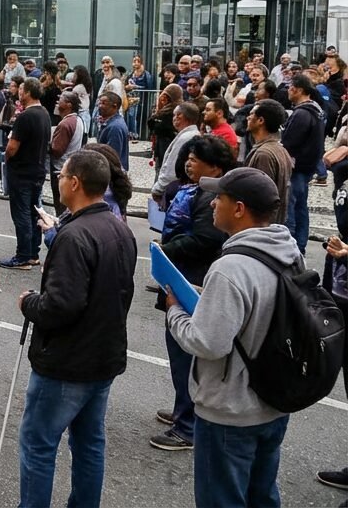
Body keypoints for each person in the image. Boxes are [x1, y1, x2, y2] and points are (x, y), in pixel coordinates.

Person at [164, 168, 299, 508]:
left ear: (239, 209)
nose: (212, 204)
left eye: (219, 198)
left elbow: (207, 343)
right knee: (262, 496)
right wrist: (205, 297)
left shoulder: (231, 268)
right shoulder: (287, 250)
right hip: (273, 400)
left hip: (230, 412)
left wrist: (175, 311)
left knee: (221, 499)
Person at [16, 149, 137, 508]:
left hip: (67, 362)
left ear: (75, 183)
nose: (58, 180)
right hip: (103, 356)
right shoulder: (119, 227)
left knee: (38, 444)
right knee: (89, 443)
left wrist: (29, 302)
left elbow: (61, 305)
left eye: (62, 175)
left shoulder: (74, 236)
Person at [151, 135, 235, 452]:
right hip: (181, 275)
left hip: (192, 281)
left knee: (185, 354)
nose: (189, 163)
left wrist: (167, 249)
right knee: (179, 354)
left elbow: (205, 238)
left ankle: (187, 425)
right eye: (188, 157)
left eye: (196, 159)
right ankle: (182, 410)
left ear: (215, 167)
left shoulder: (213, 196)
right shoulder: (193, 190)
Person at [1, 78, 49, 269]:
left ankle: (22, 256)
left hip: (22, 172)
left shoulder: (25, 116)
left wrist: (7, 159)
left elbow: (12, 147)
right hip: (37, 170)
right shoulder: (44, 113)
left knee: (21, 214)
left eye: (22, 89)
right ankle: (33, 254)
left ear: (28, 92)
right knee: (34, 212)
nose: (19, 93)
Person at [284, 74, 325, 252]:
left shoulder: (302, 113)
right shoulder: (315, 110)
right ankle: (300, 244)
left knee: (291, 207)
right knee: (301, 206)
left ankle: (292, 245)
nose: (288, 90)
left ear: (299, 90)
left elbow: (290, 142)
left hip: (298, 168)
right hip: (306, 167)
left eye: (290, 87)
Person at [244, 99, 292, 226]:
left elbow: (261, 195)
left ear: (261, 120)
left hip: (260, 225)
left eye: (251, 114)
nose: (248, 117)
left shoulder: (264, 154)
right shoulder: (279, 149)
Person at [152, 102, 201, 206]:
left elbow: (171, 167)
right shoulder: (191, 134)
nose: (173, 118)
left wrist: (158, 188)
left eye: (175, 115)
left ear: (180, 116)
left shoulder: (185, 138)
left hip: (174, 189)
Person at [94, 91, 129, 171]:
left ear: (114, 106)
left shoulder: (115, 127)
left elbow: (112, 155)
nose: (100, 106)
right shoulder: (109, 122)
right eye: (99, 103)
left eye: (104, 103)